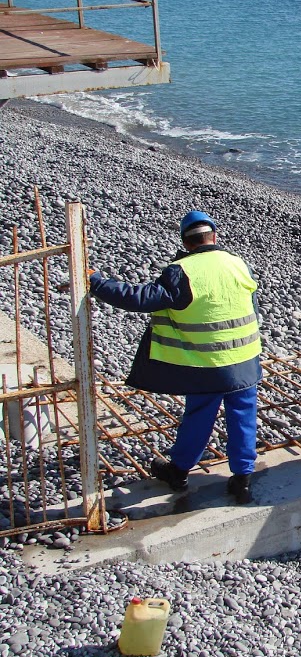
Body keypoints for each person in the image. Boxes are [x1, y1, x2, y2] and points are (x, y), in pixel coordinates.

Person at [88, 210, 262, 504]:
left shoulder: (182, 270)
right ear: (214, 237)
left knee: (199, 416)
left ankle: (178, 471)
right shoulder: (237, 264)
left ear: (185, 241)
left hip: (207, 365)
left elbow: (140, 297)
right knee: (243, 417)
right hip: (245, 359)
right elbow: (251, 307)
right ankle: (242, 480)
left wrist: (97, 282)